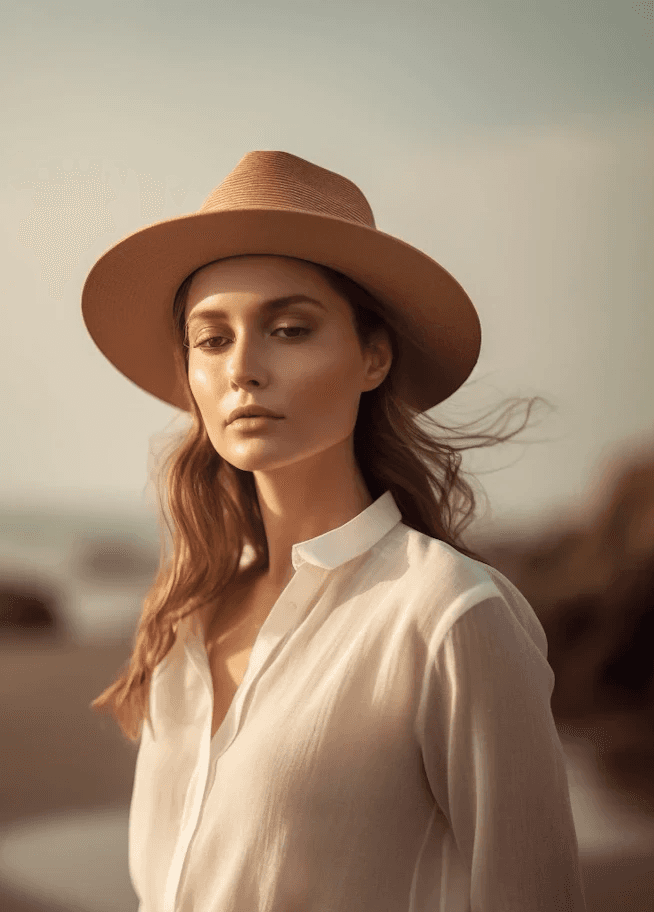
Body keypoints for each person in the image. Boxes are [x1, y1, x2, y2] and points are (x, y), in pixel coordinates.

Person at [84, 151, 587, 911]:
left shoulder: (449, 615)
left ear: (372, 356)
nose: (243, 368)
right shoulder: (185, 618)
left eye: (289, 329)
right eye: (212, 339)